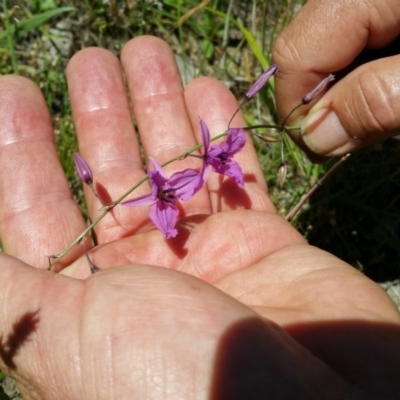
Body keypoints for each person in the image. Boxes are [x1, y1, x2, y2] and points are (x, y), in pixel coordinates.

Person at [0, 1, 399, 399]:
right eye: (165, 193)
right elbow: (166, 178)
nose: (222, 161)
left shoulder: (196, 172)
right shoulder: (173, 185)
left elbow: (185, 175)